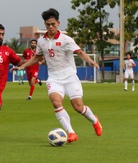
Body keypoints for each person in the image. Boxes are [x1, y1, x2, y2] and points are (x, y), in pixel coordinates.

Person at [11, 8, 102, 143]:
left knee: (78, 107)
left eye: (53, 24)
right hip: (54, 78)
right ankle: (71, 132)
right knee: (56, 102)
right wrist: (23, 66)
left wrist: (90, 61)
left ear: (58, 23)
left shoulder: (66, 39)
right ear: (45, 25)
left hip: (70, 77)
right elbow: (37, 57)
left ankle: (94, 120)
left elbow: (80, 52)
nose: (51, 27)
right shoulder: (41, 41)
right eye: (48, 24)